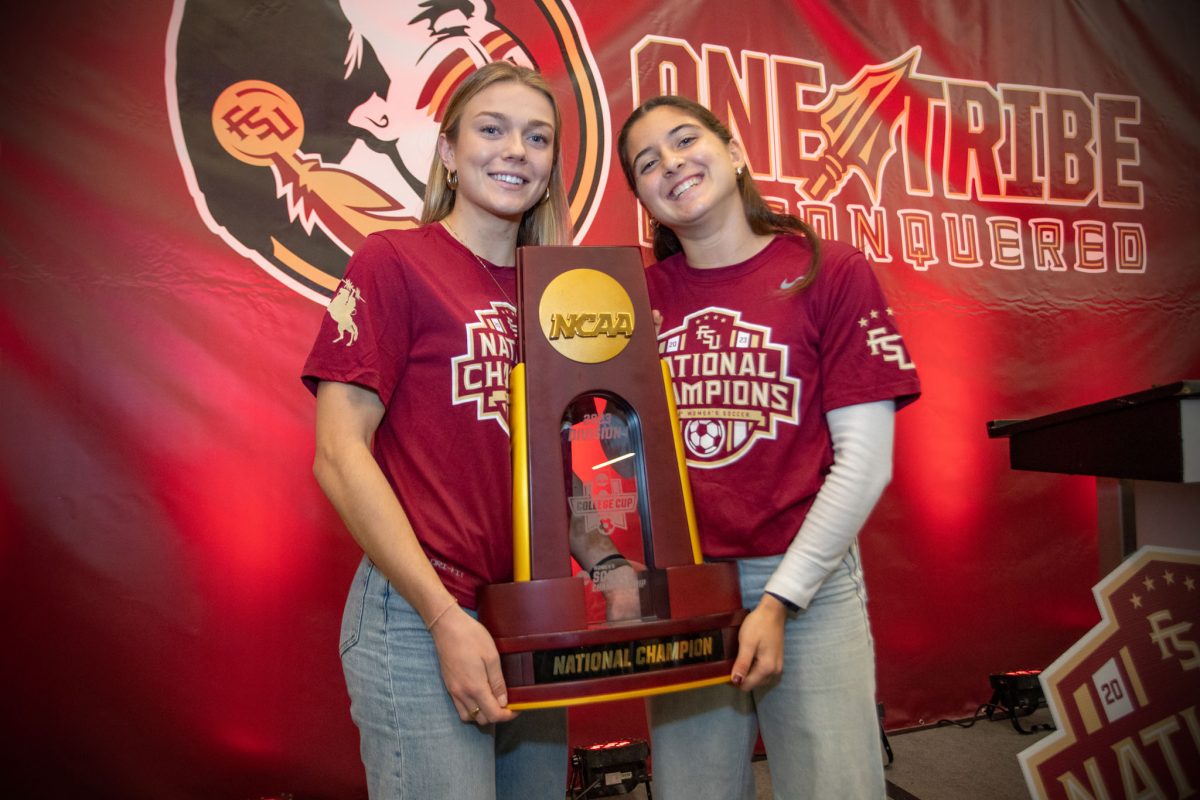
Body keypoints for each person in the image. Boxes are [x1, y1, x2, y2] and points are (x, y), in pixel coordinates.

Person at [617, 95, 922, 799]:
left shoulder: (829, 270)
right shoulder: (632, 298)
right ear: (644, 201)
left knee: (834, 788)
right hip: (689, 592)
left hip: (806, 582)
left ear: (735, 152)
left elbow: (866, 462)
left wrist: (781, 600)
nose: (671, 163)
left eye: (685, 140)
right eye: (647, 162)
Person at [303, 61, 573, 799]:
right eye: (492, 129)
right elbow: (337, 453)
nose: (516, 149)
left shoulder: (557, 294)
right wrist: (443, 617)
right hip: (421, 618)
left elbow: (549, 467)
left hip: (527, 615)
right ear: (449, 152)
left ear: (550, 169)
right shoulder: (394, 261)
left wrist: (608, 565)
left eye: (537, 137)